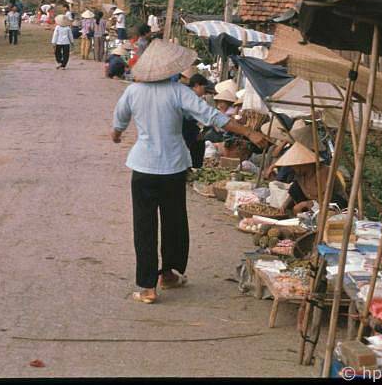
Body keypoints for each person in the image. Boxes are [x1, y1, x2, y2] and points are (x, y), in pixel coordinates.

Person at [111, 40, 268, 304]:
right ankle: (169, 274)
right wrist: (249, 131)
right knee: (174, 220)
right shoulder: (178, 92)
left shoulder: (133, 92)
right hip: (172, 167)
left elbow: (119, 122)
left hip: (143, 167)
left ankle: (147, 287)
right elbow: (213, 117)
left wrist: (116, 135)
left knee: (144, 226)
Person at [274, 142, 346, 214]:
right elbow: (294, 190)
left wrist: (305, 204)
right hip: (313, 205)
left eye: (295, 165)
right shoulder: (301, 176)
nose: (293, 168)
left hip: (332, 204)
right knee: (294, 189)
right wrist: (284, 205)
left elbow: (326, 197)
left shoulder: (324, 171)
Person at [182, 74, 215, 169]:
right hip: (185, 131)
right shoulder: (188, 97)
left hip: (190, 131)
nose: (204, 92)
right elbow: (188, 117)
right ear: (196, 85)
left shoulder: (191, 97)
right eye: (204, 88)